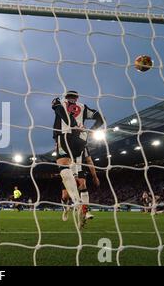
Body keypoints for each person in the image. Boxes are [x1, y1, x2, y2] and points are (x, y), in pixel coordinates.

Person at [52, 90, 104, 227]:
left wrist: (73, 124)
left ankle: (78, 204)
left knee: (63, 166)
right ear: (77, 97)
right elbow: (101, 119)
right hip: (81, 139)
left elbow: (59, 111)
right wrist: (90, 131)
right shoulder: (84, 107)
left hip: (65, 135)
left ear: (66, 96)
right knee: (72, 186)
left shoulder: (59, 101)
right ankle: (74, 207)